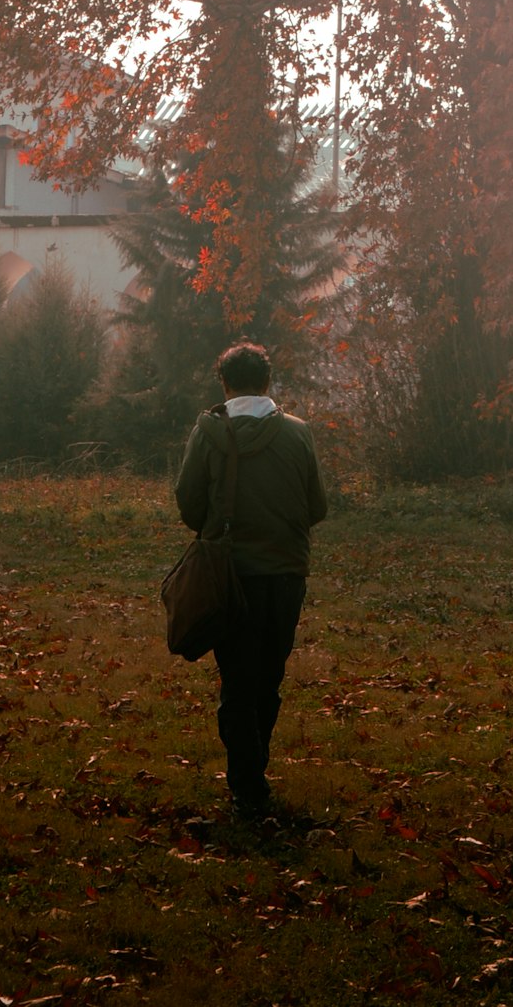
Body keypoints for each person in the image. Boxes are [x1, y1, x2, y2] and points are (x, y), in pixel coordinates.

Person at [174, 340, 328, 817]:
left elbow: (188, 503)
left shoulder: (208, 434)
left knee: (236, 679)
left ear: (224, 383)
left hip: (231, 575)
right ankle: (254, 769)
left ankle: (247, 782)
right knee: (269, 676)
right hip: (286, 573)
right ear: (267, 382)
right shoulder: (299, 434)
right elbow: (317, 507)